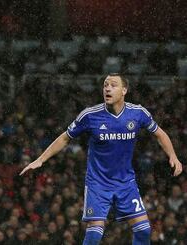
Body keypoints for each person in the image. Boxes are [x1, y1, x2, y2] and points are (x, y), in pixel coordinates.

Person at [20, 74, 183, 244]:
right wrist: (40, 159)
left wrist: (173, 156)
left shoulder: (138, 113)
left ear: (124, 90)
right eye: (105, 85)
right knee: (95, 234)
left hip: (125, 181)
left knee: (143, 230)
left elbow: (160, 134)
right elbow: (65, 138)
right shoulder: (90, 115)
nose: (107, 88)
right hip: (98, 183)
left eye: (113, 85)